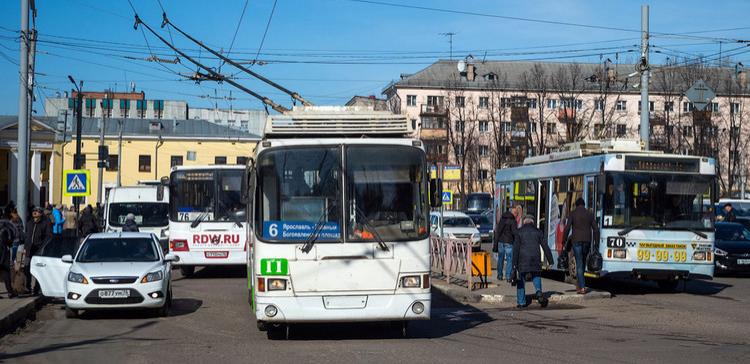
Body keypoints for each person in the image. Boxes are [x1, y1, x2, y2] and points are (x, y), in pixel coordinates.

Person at [512, 214, 553, 309]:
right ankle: (538, 291)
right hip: (535, 258)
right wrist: (550, 261)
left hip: (522, 259)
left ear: (524, 221)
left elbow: (516, 249)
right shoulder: (538, 232)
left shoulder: (519, 232)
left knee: (521, 279)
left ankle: (521, 302)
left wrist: (514, 264)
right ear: (533, 222)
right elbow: (545, 246)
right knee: (536, 275)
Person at [564, 197, 600, 294]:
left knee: (579, 263)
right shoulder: (589, 214)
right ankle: (580, 285)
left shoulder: (573, 213)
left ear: (576, 205)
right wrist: (596, 243)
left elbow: (567, 228)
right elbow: (596, 229)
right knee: (582, 262)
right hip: (587, 241)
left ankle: (582, 287)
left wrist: (564, 241)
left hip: (576, 241)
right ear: (584, 205)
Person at [24, 206, 52, 295]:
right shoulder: (29, 223)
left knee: (38, 270)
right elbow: (27, 236)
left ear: (40, 213)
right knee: (26, 268)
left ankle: (37, 288)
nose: (34, 213)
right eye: (33, 211)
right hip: (29, 250)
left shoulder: (45, 223)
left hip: (38, 251)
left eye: (37, 211)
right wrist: (25, 247)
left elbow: (48, 237)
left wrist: (43, 248)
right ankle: (27, 287)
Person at [493, 209, 517, 282]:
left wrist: (495, 244)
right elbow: (514, 232)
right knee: (509, 260)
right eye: (516, 213)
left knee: (500, 259)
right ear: (513, 213)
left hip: (501, 242)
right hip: (509, 242)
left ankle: (499, 275)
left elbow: (498, 232)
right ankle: (508, 276)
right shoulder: (513, 221)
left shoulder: (502, 220)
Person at [0, 216, 17, 298]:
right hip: (4, 251)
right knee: (6, 272)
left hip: (3, 250)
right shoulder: (6, 227)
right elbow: (8, 241)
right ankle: (10, 292)